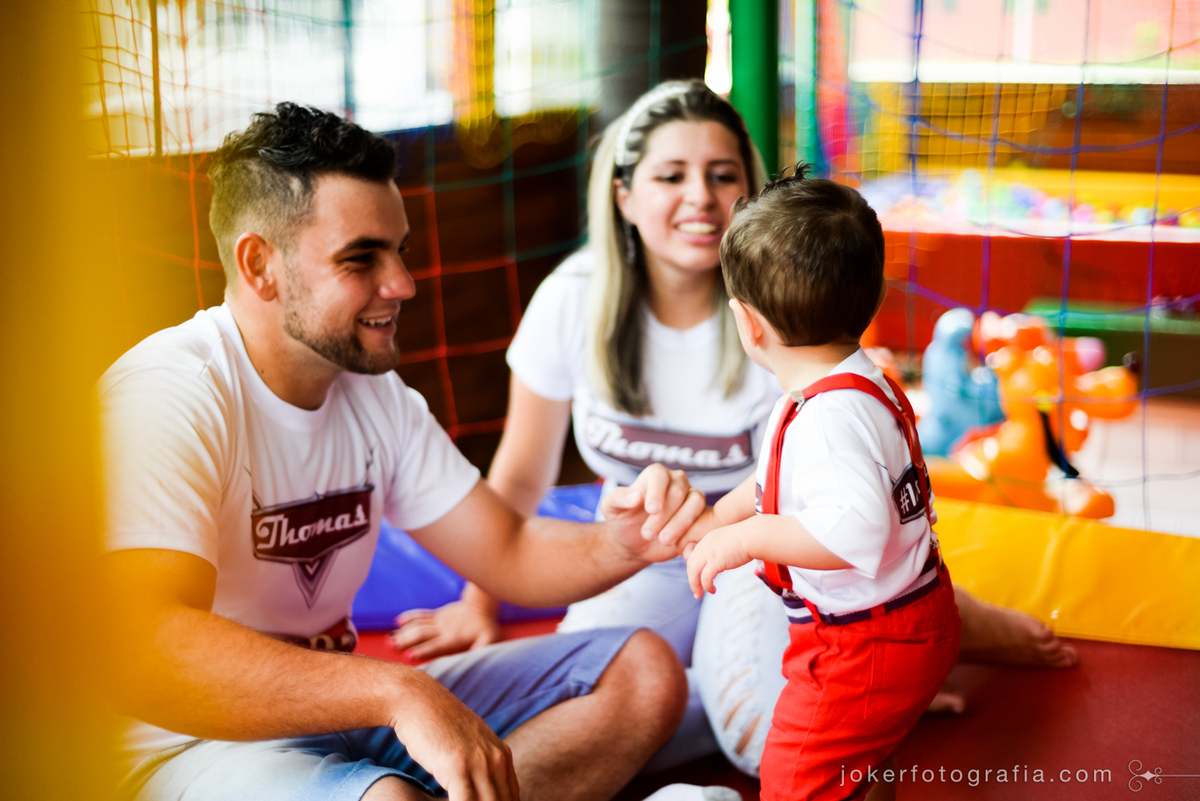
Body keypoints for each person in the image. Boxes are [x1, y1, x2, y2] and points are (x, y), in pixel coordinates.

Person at [390, 81, 1079, 779]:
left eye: (722, 176)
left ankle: (934, 628)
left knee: (760, 739)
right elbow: (521, 469)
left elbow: (832, 500)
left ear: (748, 195)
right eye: (671, 175)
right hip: (657, 547)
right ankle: (915, 632)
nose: (699, 196)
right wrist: (479, 600)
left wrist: (867, 695)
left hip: (776, 547)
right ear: (625, 196)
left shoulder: (791, 316)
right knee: (589, 697)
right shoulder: (574, 296)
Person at [100, 102, 711, 801]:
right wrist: (397, 690)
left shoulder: (373, 393)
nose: (402, 283)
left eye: (400, 250)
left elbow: (506, 546)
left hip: (346, 710)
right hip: (192, 745)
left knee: (642, 673)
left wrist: (626, 544)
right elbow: (143, 649)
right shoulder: (168, 395)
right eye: (362, 257)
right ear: (260, 264)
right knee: (390, 797)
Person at [683, 170, 961, 800]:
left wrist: (748, 539)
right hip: (904, 618)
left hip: (865, 643)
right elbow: (781, 479)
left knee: (795, 777)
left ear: (746, 324)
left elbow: (857, 528)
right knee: (859, 759)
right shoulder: (855, 381)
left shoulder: (828, 419)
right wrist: (721, 517)